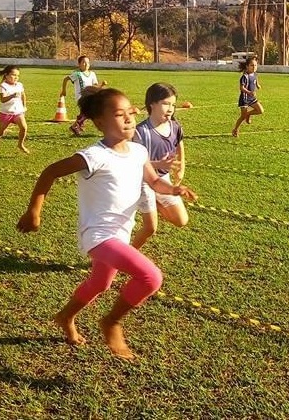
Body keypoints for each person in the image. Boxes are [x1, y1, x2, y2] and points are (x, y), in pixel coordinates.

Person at [16, 88, 197, 360]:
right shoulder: (94, 156)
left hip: (120, 235)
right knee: (151, 277)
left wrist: (175, 190)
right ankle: (111, 322)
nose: (128, 119)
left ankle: (65, 317)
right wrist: (34, 211)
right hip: (98, 235)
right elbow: (51, 171)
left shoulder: (138, 150)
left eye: (130, 113)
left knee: (100, 283)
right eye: (118, 115)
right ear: (100, 123)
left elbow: (154, 181)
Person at [131, 83, 189, 250]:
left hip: (162, 179)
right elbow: (135, 163)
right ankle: (127, 256)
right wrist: (158, 164)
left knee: (181, 220)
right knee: (150, 228)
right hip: (144, 180)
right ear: (152, 104)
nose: (170, 108)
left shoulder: (175, 126)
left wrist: (181, 167)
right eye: (165, 103)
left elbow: (180, 144)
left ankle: (154, 202)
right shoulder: (140, 132)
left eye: (173, 104)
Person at [0, 65, 29, 157]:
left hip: (18, 112)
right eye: (13, 75)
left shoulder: (19, 85)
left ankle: (20, 144)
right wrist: (12, 95)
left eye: (17, 76)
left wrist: (24, 106)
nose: (16, 77)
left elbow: (23, 95)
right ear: (6, 75)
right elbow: (2, 99)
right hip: (6, 112)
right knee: (1, 132)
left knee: (24, 128)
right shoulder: (3, 86)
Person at [60, 55, 107, 136]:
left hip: (90, 97)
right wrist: (64, 90)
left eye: (88, 62)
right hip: (81, 97)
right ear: (79, 64)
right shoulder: (77, 74)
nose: (86, 64)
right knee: (90, 112)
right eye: (83, 62)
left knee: (88, 113)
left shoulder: (92, 74)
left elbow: (95, 86)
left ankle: (75, 126)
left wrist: (101, 85)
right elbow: (65, 79)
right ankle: (77, 126)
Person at [232, 56, 264, 137]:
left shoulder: (255, 74)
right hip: (245, 99)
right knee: (243, 116)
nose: (254, 67)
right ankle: (235, 129)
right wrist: (249, 92)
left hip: (252, 98)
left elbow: (255, 80)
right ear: (247, 66)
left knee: (260, 110)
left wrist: (258, 85)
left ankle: (248, 114)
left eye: (255, 65)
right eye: (252, 65)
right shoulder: (244, 76)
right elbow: (241, 88)